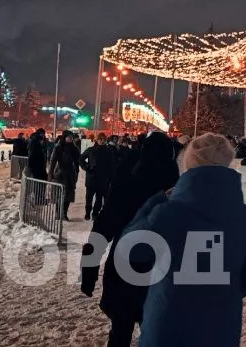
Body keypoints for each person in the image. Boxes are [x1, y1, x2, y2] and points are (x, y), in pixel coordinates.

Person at [117, 133, 246, 347]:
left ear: (189, 164)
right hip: (220, 326)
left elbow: (130, 250)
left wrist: (154, 202)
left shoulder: (168, 212)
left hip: (168, 323)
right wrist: (224, 289)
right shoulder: (244, 217)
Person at [81, 132, 179, 347]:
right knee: (155, 330)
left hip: (124, 266)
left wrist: (88, 273)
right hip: (160, 270)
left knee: (120, 328)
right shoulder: (174, 187)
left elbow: (102, 229)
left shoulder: (127, 183)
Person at [80, 133, 117, 221]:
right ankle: (87, 212)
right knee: (89, 198)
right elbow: (81, 159)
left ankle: (95, 213)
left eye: (103, 139)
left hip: (103, 178)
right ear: (97, 140)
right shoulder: (91, 150)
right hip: (91, 178)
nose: (102, 141)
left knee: (99, 199)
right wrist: (87, 168)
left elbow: (112, 164)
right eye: (100, 139)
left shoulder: (108, 151)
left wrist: (110, 175)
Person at [49, 130, 81, 220]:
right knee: (59, 193)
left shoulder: (74, 148)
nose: (70, 138)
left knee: (68, 195)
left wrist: (77, 170)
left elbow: (77, 160)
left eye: (71, 137)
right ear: (64, 137)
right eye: (68, 137)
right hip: (60, 173)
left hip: (70, 174)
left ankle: (64, 213)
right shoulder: (58, 147)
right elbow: (53, 161)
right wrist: (50, 174)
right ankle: (57, 213)